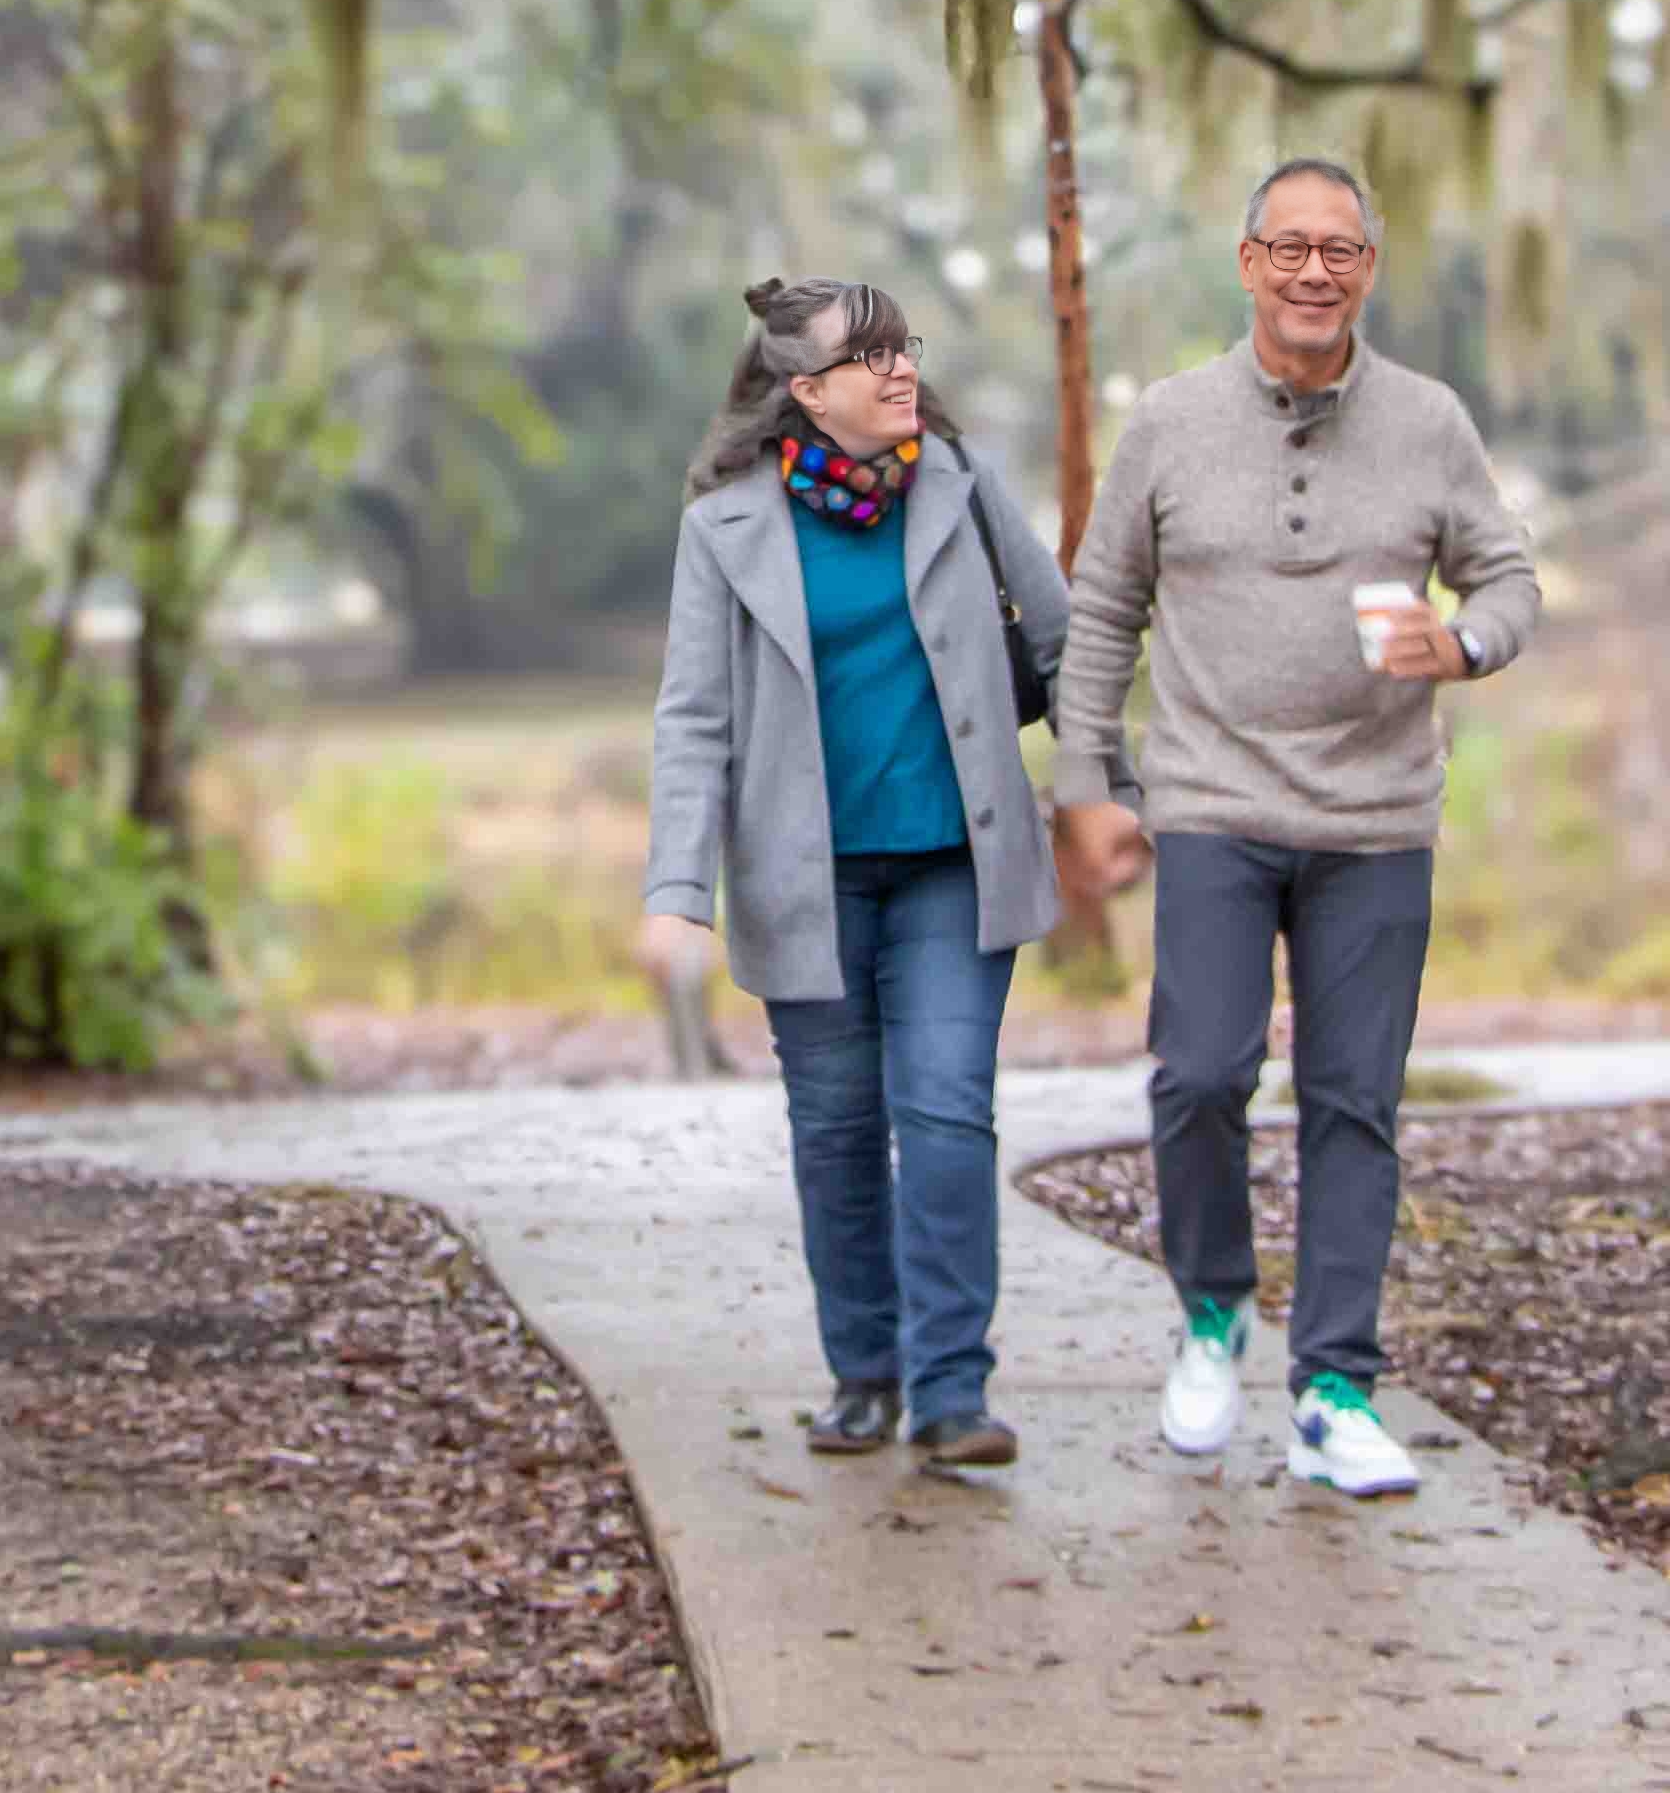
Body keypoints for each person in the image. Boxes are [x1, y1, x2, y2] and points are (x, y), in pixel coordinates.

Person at [1047, 159, 1537, 1496]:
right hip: (1209, 801)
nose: (1315, 271)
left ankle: (1332, 1387)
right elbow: (1101, 611)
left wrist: (1470, 640)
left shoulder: (1430, 422)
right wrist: (1089, 788)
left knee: (1352, 1102)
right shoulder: (1169, 422)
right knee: (1198, 1073)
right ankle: (1211, 1310)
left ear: (1369, 268)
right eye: (1290, 247)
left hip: (1377, 818)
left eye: (1342, 249)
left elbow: (1505, 571)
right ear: (1248, 261)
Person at [639, 276, 1072, 1473]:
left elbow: (1065, 642)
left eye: (904, 350)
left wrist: (1106, 794)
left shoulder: (964, 481)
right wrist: (676, 889)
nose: (900, 373)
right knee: (836, 1129)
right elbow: (692, 719)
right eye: (867, 357)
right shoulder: (723, 525)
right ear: (806, 391)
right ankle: (864, 1372)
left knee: (943, 1110)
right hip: (802, 876)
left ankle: (950, 1391)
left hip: (954, 865)